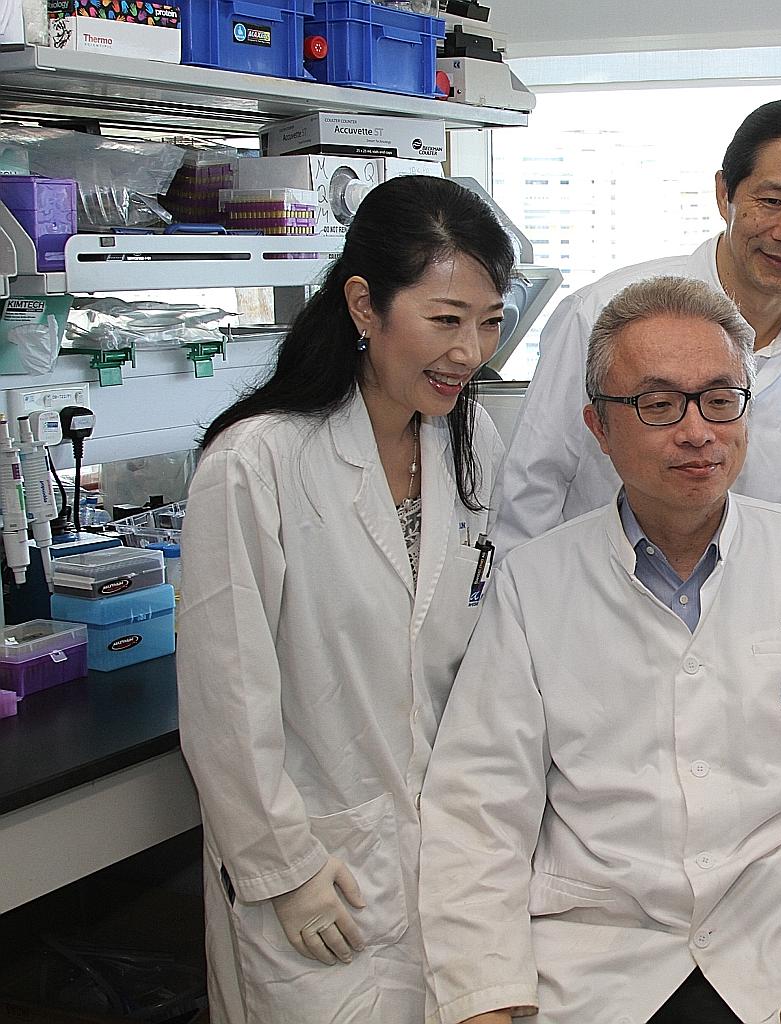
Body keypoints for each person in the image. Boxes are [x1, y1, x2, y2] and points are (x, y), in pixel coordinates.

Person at [418, 276, 781, 1024]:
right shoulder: (534, 583)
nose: (698, 432)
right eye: (659, 404)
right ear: (598, 426)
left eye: (721, 399)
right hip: (598, 954)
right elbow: (479, 808)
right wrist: (482, 999)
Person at [178, 175, 517, 1024]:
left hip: (445, 855)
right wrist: (281, 867)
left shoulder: (469, 441)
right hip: (314, 862)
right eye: (445, 319)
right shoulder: (256, 463)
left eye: (489, 320)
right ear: (364, 306)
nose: (471, 351)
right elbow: (227, 695)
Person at [493, 98, 781, 552]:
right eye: (771, 201)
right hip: (595, 598)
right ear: (723, 193)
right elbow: (531, 488)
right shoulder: (601, 315)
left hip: (750, 614)